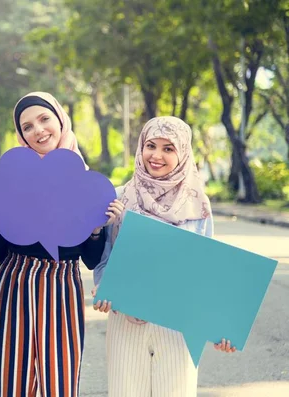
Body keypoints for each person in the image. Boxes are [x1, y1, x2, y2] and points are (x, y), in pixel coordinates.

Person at [0, 91, 123, 397]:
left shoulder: (87, 181)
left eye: (44, 119)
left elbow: (88, 259)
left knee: (60, 382)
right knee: (14, 382)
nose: (39, 130)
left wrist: (98, 227)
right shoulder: (11, 177)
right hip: (15, 283)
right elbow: (2, 251)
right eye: (28, 126)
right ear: (21, 135)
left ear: (60, 120)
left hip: (64, 286)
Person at [92, 116, 236, 397]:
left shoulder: (198, 204)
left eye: (168, 148)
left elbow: (206, 270)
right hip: (126, 319)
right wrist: (104, 286)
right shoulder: (119, 197)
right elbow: (104, 257)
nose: (156, 156)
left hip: (177, 325)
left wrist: (220, 325)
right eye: (150, 146)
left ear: (183, 153)